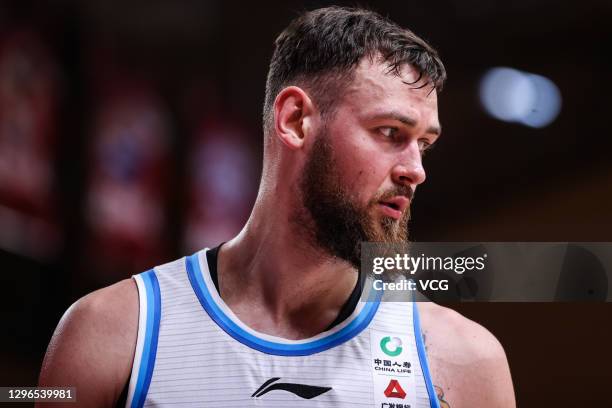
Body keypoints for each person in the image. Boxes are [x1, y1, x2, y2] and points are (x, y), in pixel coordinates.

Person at [38, 6, 515, 408]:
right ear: (296, 120)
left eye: (423, 144)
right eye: (391, 133)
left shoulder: (464, 362)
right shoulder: (111, 332)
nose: (416, 170)